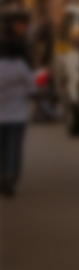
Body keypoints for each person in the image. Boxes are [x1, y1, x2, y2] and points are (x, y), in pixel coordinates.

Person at [0, 40, 34, 197]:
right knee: (14, 148)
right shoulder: (21, 66)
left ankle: (2, 175)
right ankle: (11, 176)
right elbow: (31, 87)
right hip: (18, 115)